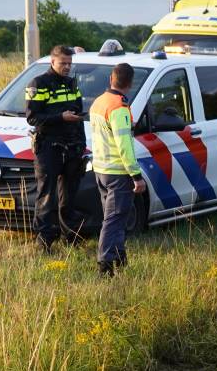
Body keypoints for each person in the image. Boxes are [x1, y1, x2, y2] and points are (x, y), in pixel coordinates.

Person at [88, 63, 146, 275]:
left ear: (111, 79)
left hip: (101, 169)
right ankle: (106, 264)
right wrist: (136, 175)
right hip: (118, 172)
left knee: (115, 217)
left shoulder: (99, 102)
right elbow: (124, 146)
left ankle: (120, 257)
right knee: (113, 220)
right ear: (130, 83)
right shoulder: (119, 107)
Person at [26, 45, 86, 250]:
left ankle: (71, 238)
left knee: (69, 196)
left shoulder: (71, 83)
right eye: (63, 63)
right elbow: (32, 118)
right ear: (52, 62)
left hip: (72, 146)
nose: (67, 67)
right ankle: (44, 242)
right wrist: (61, 117)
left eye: (70, 63)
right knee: (47, 196)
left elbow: (78, 115)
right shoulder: (38, 84)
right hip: (49, 147)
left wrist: (81, 144)